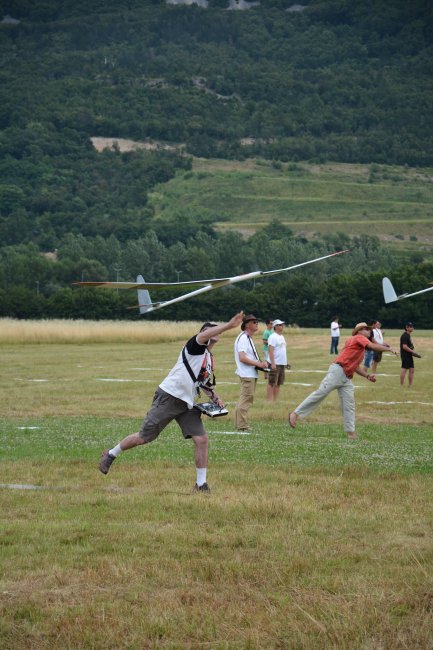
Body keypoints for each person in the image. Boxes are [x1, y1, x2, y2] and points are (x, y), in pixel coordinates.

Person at [98, 311, 244, 492]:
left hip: (187, 403)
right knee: (143, 438)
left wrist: (216, 398)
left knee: (201, 439)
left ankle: (201, 485)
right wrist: (229, 325)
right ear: (203, 333)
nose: (216, 331)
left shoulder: (208, 357)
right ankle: (111, 454)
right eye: (211, 329)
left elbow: (202, 383)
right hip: (170, 396)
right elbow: (205, 335)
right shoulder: (195, 345)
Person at [288, 322, 398, 439]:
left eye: (369, 329)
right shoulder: (358, 338)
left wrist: (367, 376)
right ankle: (295, 414)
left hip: (346, 376)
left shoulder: (360, 345)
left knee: (349, 405)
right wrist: (389, 348)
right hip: (338, 371)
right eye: (366, 329)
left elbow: (355, 367)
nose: (369, 331)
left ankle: (351, 433)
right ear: (359, 331)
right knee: (320, 393)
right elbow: (372, 346)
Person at [234, 314, 269, 431]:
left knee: (246, 399)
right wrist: (259, 364)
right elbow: (242, 358)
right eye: (254, 322)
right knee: (246, 399)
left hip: (249, 373)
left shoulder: (247, 338)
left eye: (257, 322)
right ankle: (242, 426)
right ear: (247, 325)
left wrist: (261, 365)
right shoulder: (243, 338)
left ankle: (240, 424)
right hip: (247, 374)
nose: (256, 324)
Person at [267, 319, 290, 401]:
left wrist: (286, 362)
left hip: (281, 363)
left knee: (279, 383)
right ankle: (269, 401)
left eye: (282, 324)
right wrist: (273, 363)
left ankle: (275, 400)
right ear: (275, 327)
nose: (282, 326)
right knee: (272, 382)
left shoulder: (282, 337)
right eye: (280, 325)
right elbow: (271, 351)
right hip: (275, 363)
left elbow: (283, 350)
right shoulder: (272, 337)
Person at [400, 322, 421, 386]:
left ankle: (410, 385)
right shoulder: (404, 336)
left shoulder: (408, 335)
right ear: (407, 328)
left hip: (409, 354)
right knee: (404, 369)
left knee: (412, 370)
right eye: (411, 327)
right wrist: (413, 352)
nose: (412, 328)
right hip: (405, 355)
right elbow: (404, 346)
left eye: (412, 326)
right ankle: (401, 385)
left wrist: (413, 353)